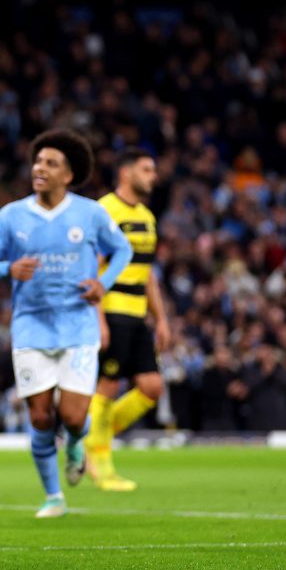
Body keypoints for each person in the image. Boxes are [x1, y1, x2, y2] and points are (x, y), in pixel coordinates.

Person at [0, 129, 131, 518]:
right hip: (31, 327)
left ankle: (75, 443)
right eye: (38, 161)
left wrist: (103, 284)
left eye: (51, 163)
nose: (40, 168)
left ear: (68, 175)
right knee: (40, 416)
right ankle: (54, 496)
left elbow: (122, 249)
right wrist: (8, 268)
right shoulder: (13, 215)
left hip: (78, 327)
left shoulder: (90, 214)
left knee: (73, 417)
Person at [84, 148, 172, 491]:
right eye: (147, 169)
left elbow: (148, 275)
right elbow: (91, 268)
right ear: (126, 172)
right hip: (112, 309)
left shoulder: (148, 218)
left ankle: (94, 434)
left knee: (152, 387)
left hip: (138, 316)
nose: (153, 176)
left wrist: (161, 319)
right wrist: (98, 319)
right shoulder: (104, 210)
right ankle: (101, 463)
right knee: (108, 385)